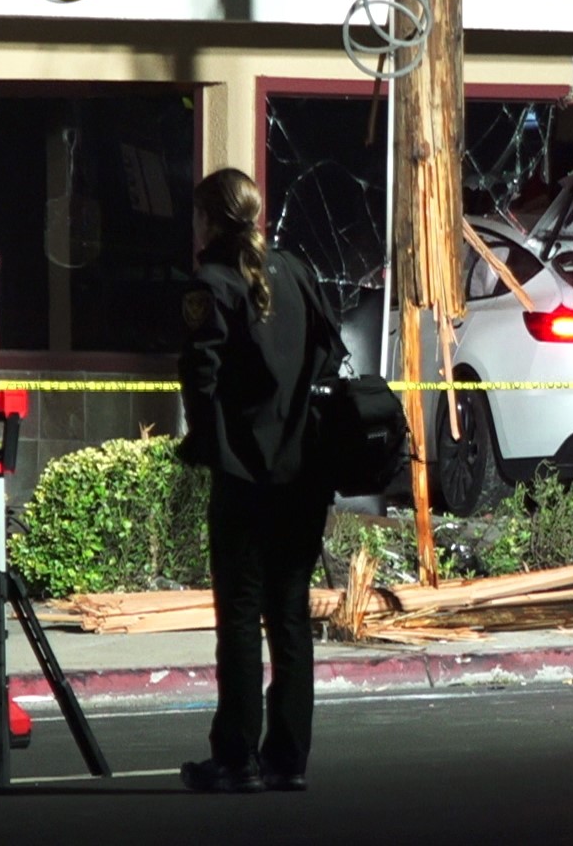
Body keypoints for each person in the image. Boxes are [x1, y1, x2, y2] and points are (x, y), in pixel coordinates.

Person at [176, 166, 339, 794]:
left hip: (245, 478)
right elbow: (327, 352)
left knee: (241, 618)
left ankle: (236, 756)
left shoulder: (210, 284)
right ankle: (288, 759)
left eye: (197, 217)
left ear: (213, 221)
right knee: (290, 616)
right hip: (302, 473)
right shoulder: (293, 271)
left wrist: (211, 447)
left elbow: (201, 379)